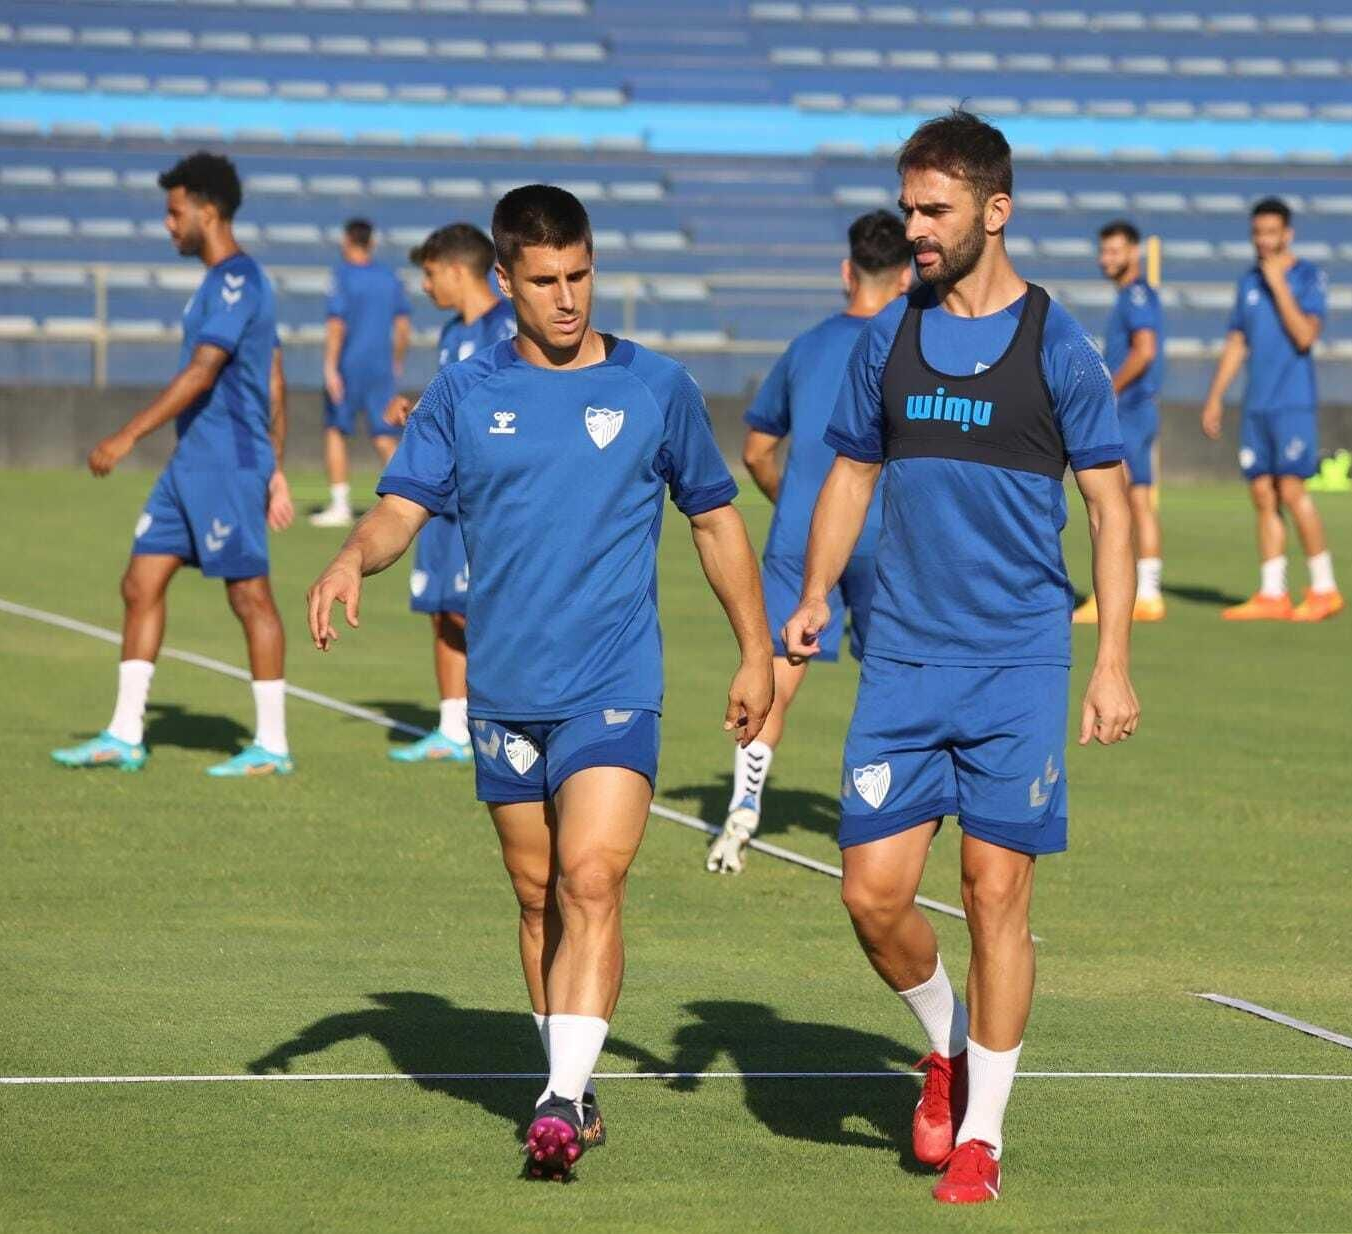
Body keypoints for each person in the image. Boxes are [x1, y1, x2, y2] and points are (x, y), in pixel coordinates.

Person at [305, 186, 773, 1180]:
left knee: (591, 875)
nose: (567, 298)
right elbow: (399, 507)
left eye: (581, 276)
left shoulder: (658, 388)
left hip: (614, 677)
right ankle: (572, 1074)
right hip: (505, 689)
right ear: (505, 280)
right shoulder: (465, 393)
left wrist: (755, 649)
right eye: (546, 281)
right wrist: (353, 557)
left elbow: (716, 519)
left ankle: (558, 1099)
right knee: (535, 896)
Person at [783, 111, 1140, 1205]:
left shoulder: (1056, 345)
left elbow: (1110, 510)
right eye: (908, 208)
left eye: (935, 209)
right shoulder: (887, 338)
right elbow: (848, 473)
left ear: (996, 210)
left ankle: (980, 1134)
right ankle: (941, 1041)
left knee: (995, 895)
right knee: (871, 896)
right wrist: (809, 597)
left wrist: (1111, 658)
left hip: (1019, 665)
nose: (916, 228)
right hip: (903, 660)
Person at [52, 151, 296, 777]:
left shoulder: (241, 279)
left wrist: (127, 434)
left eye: (174, 211)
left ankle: (272, 745)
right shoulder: (214, 287)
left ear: (206, 212)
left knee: (249, 597)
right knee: (139, 584)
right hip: (192, 467)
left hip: (226, 466)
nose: (168, 224)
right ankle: (124, 734)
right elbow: (271, 371)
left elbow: (206, 371)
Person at [705, 210, 913, 874]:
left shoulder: (808, 345)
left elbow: (759, 449)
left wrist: (798, 506)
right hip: (886, 536)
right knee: (892, 684)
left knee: (773, 678)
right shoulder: (915, 344)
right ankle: (886, 818)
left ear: (847, 271)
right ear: (907, 274)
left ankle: (741, 813)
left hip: (802, 536)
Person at [383, 224, 517, 763]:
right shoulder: (448, 334)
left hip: (482, 499)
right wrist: (419, 410)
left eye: (431, 273)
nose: (426, 285)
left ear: (459, 271)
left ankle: (511, 720)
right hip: (441, 492)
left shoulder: (504, 327)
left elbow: (504, 405)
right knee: (442, 609)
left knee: (474, 613)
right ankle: (452, 729)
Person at [1200, 197, 1345, 622]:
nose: (1262, 241)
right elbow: (1237, 341)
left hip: (1292, 403)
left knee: (1292, 490)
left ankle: (1324, 587)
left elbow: (1304, 336)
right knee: (1261, 493)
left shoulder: (1307, 277)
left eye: (1270, 233)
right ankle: (1271, 592)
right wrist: (1215, 395)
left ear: (1288, 234)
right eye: (1257, 233)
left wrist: (1279, 284)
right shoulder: (1247, 281)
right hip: (1257, 403)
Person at [1075, 219, 1166, 624]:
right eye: (1104, 251)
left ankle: (1124, 594)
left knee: (1117, 502)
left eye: (1115, 251)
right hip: (1137, 408)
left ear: (1133, 252)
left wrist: (1111, 385)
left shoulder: (1136, 297)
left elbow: (1145, 350)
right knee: (1138, 500)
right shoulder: (1132, 296)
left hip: (1129, 409)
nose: (1106, 258)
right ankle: (1147, 592)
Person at [310, 218, 411, 528]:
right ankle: (411, 500)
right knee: (384, 435)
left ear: (348, 241)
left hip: (349, 365)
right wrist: (395, 360)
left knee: (336, 431)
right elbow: (403, 326)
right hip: (381, 366)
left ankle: (340, 505)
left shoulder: (343, 276)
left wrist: (329, 367)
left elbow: (336, 325)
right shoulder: (389, 277)